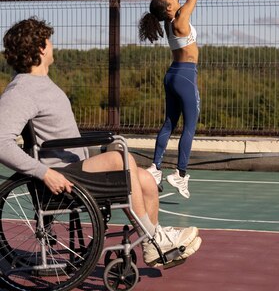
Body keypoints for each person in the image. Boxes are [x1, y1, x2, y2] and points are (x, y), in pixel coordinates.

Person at [0, 17, 202, 269]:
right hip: (60, 178)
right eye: (48, 41)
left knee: (146, 179)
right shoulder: (22, 90)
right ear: (41, 48)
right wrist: (45, 173)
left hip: (77, 169)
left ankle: (151, 244)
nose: (52, 45)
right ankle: (155, 238)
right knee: (122, 159)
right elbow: (1, 143)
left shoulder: (41, 84)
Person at [138, 0, 213, 199]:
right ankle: (180, 174)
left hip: (171, 75)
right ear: (169, 9)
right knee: (189, 126)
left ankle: (156, 167)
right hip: (185, 76)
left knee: (169, 123)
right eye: (171, 0)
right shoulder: (180, 18)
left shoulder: (170, 20)